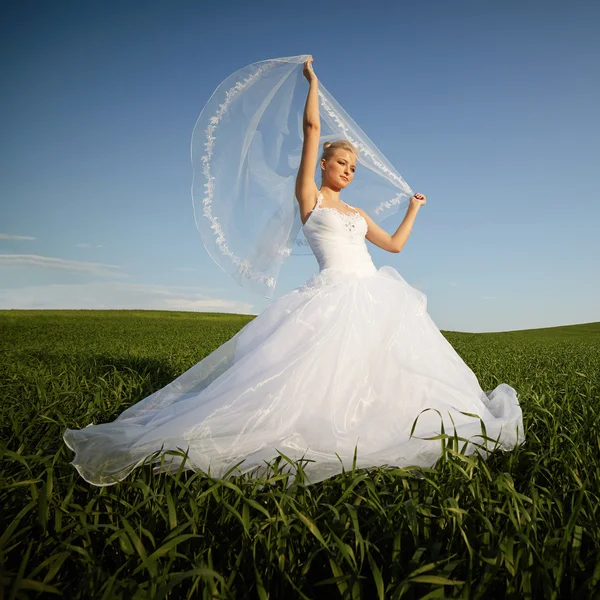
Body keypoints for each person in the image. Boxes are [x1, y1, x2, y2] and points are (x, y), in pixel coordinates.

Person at [63, 57, 523, 487]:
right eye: (341, 163)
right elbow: (312, 128)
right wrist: (313, 84)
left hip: (375, 292)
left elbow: (396, 247)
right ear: (324, 164)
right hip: (333, 291)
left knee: (382, 371)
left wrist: (414, 208)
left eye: (353, 167)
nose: (347, 170)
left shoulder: (358, 212)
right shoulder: (312, 198)